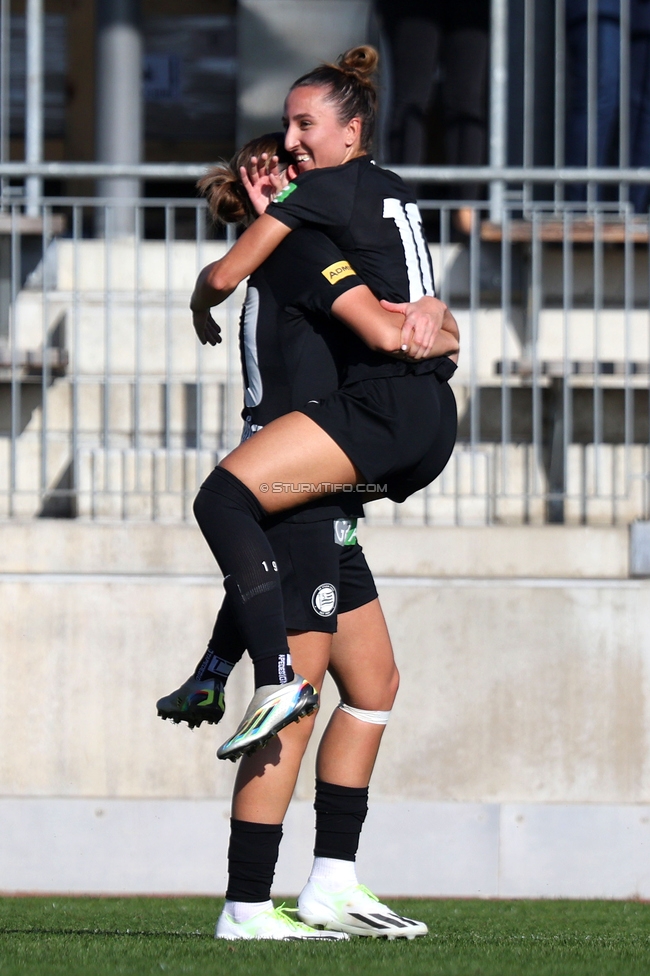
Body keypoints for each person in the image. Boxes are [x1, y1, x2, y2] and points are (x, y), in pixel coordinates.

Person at [159, 134, 456, 940]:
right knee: (294, 699)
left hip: (324, 495)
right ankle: (249, 904)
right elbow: (393, 334)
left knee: (375, 685)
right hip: (299, 495)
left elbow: (230, 283)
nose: (308, 179)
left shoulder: (294, 251)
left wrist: (426, 308)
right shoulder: (301, 254)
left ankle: (332, 885)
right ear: (276, 190)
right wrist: (433, 320)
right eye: (291, 172)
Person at [186, 47, 459, 771]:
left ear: (352, 130)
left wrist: (198, 297)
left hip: (362, 426)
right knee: (372, 687)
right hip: (415, 423)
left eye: (303, 126)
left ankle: (264, 679)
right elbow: (428, 327)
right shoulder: (391, 193)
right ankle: (333, 879)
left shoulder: (307, 226)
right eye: (285, 134)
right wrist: (434, 312)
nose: (295, 144)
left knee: (227, 503)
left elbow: (223, 273)